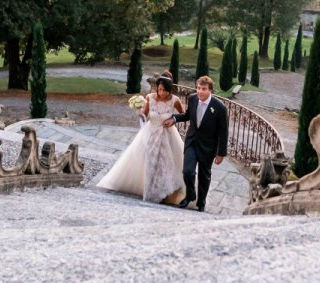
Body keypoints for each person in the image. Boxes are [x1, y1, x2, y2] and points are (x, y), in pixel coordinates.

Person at [97, 75, 186, 204]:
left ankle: (164, 192)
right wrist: (140, 113)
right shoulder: (150, 98)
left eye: (164, 90)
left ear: (169, 90)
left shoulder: (175, 100)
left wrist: (173, 120)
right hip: (150, 134)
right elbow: (145, 114)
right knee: (149, 163)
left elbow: (183, 114)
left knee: (165, 165)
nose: (161, 93)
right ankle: (149, 192)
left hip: (167, 135)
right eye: (159, 89)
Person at [164, 75, 228, 213]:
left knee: (204, 176)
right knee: (188, 171)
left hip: (208, 147)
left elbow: (223, 132)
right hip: (192, 141)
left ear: (210, 90)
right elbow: (187, 115)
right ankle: (190, 194)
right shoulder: (192, 99)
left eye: (203, 89)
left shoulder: (220, 108)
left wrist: (221, 153)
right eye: (198, 88)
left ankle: (201, 202)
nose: (200, 91)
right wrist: (174, 118)